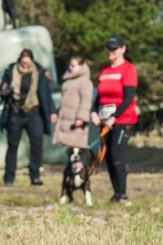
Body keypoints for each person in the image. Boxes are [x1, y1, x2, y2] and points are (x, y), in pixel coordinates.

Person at [0, 49, 55, 186]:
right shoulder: (10, 72)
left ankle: (35, 176)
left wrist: (52, 111)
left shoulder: (39, 73)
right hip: (15, 112)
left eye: (28, 63)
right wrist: (6, 91)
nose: (25, 66)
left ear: (32, 62)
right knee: (12, 146)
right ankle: (9, 178)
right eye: (23, 63)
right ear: (19, 61)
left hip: (34, 112)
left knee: (36, 144)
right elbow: (0, 90)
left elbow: (47, 94)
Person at [92, 35, 138, 204]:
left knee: (116, 154)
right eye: (108, 48)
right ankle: (116, 194)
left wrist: (115, 117)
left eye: (114, 48)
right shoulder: (105, 70)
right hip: (104, 120)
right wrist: (93, 112)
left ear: (123, 49)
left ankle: (123, 194)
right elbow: (99, 96)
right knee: (109, 157)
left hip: (123, 120)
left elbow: (129, 98)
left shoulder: (128, 69)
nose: (110, 51)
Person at [51, 55, 93, 195]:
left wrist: (81, 117)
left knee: (79, 158)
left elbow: (86, 101)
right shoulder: (69, 81)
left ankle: (84, 186)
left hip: (77, 125)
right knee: (70, 158)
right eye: (70, 65)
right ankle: (67, 189)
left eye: (73, 65)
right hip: (67, 123)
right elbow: (64, 102)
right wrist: (57, 113)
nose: (70, 68)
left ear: (81, 66)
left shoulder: (84, 82)